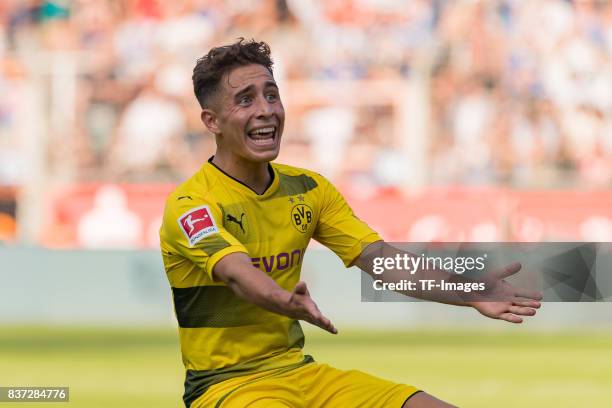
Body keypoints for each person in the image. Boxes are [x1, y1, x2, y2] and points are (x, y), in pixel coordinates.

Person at [159, 39, 542, 408]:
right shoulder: (192, 205)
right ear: (212, 121)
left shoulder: (308, 188)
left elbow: (381, 260)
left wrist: (471, 291)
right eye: (246, 100)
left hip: (300, 374)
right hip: (227, 387)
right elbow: (236, 273)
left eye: (271, 95)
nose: (266, 110)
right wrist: (280, 299)